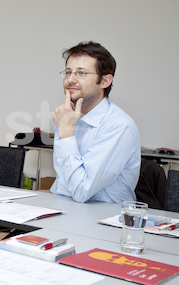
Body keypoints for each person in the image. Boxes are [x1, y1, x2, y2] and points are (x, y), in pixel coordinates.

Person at [50, 41, 140, 203]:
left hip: (102, 222)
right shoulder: (68, 117)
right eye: (68, 72)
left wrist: (66, 134)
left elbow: (81, 191)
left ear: (105, 81)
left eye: (82, 73)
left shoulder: (119, 126)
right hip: (65, 211)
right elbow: (63, 186)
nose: (70, 79)